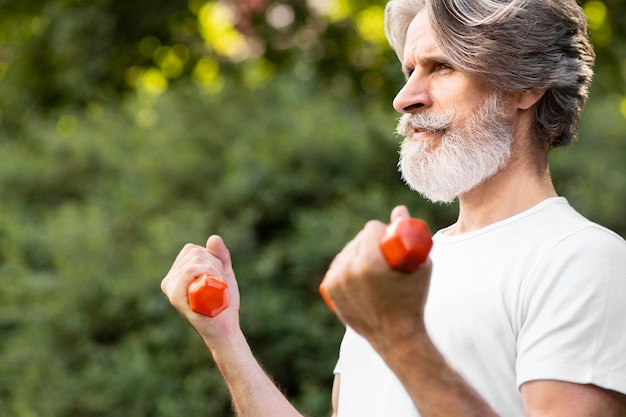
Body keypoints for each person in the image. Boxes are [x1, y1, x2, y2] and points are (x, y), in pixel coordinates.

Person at [161, 0, 626, 415]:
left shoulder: (584, 259)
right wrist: (226, 340)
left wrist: (398, 336)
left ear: (526, 86)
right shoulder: (398, 275)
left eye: (442, 66)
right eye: (409, 71)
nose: (405, 98)